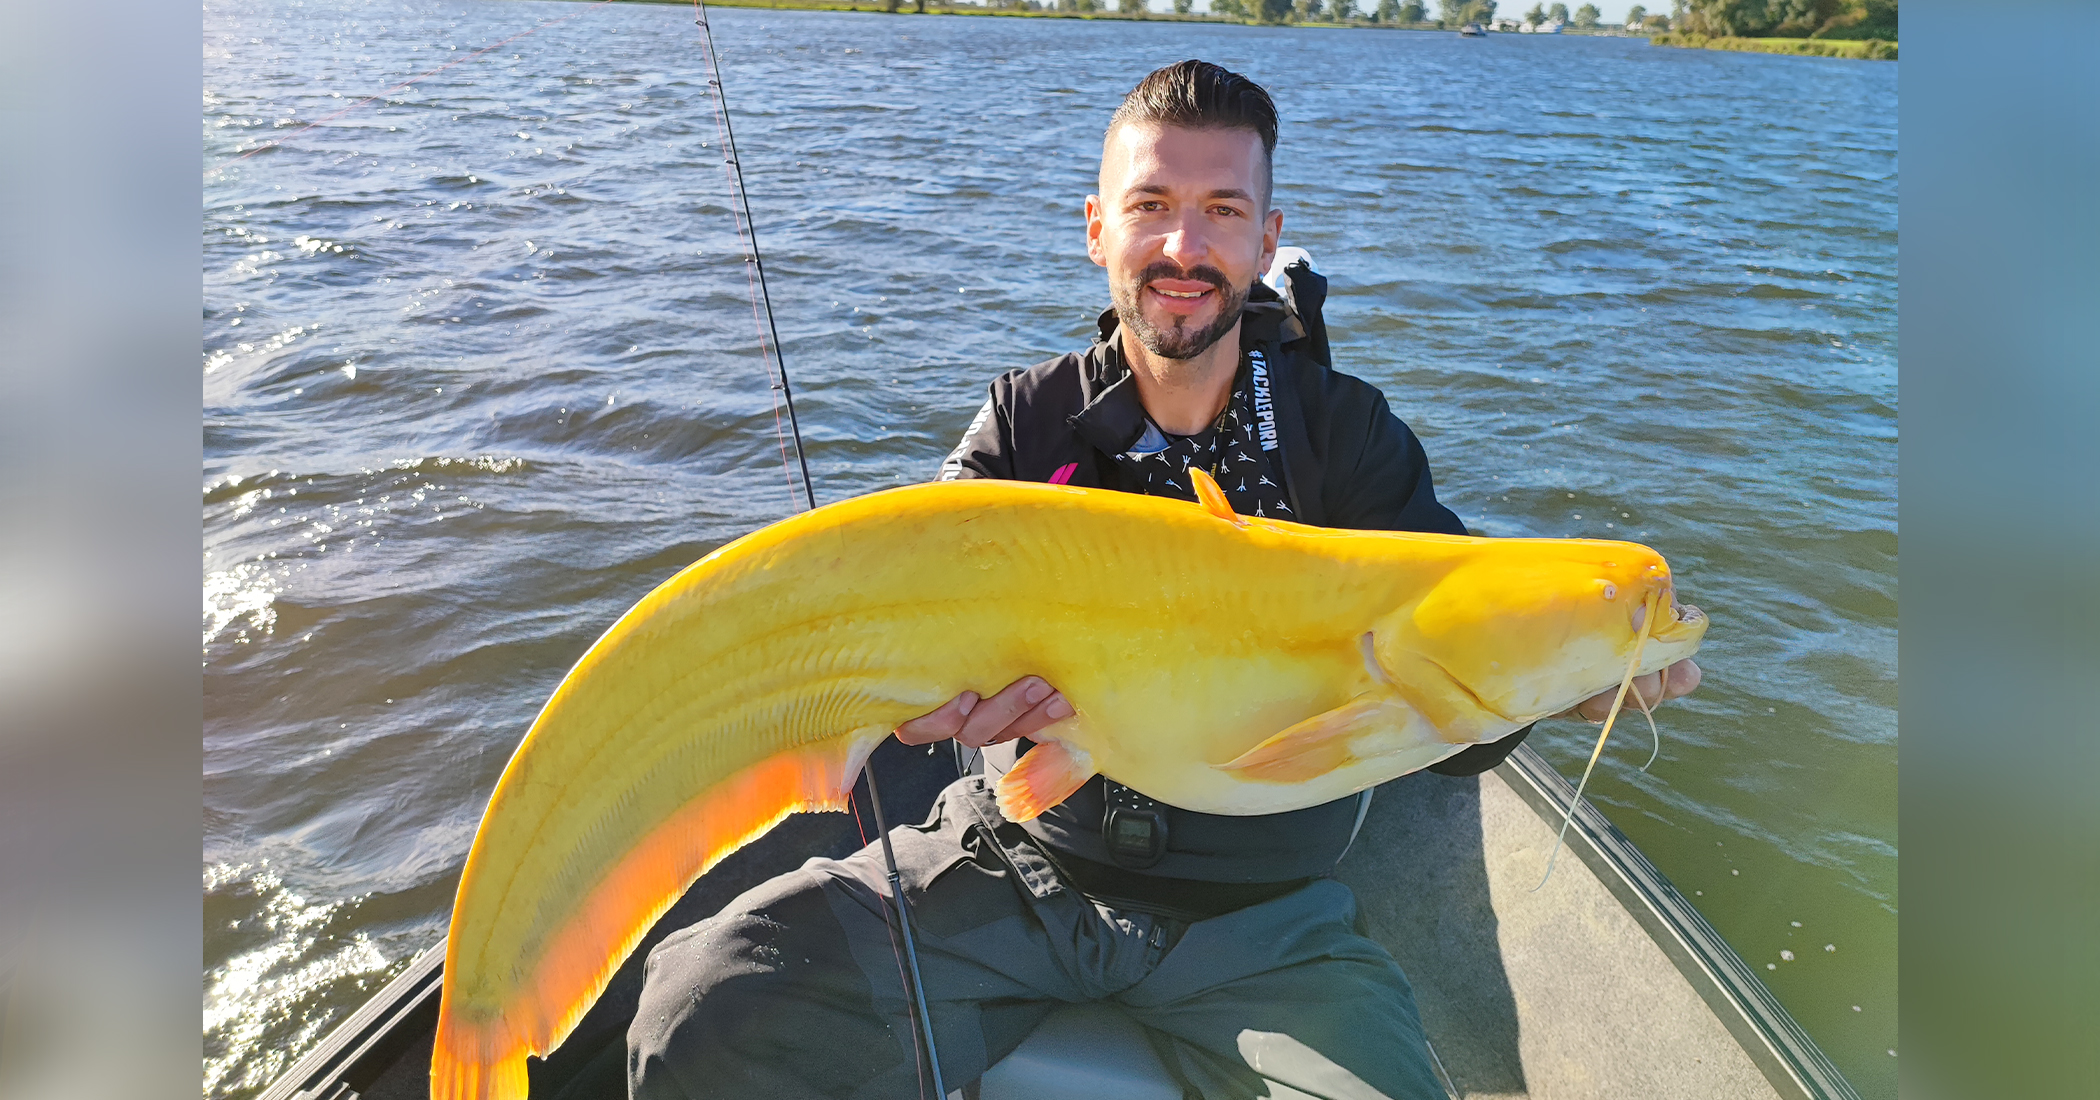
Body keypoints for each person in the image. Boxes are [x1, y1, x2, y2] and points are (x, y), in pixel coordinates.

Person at [628, 60, 1700, 1100]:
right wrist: (929, 710)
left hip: (1268, 919)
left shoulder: (1348, 435)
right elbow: (907, 611)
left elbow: (1460, 669)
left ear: (1266, 241)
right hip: (1018, 860)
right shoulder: (1024, 421)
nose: (1185, 247)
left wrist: (1570, 684)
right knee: (705, 1008)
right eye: (1152, 204)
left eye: (1225, 210)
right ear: (1098, 226)